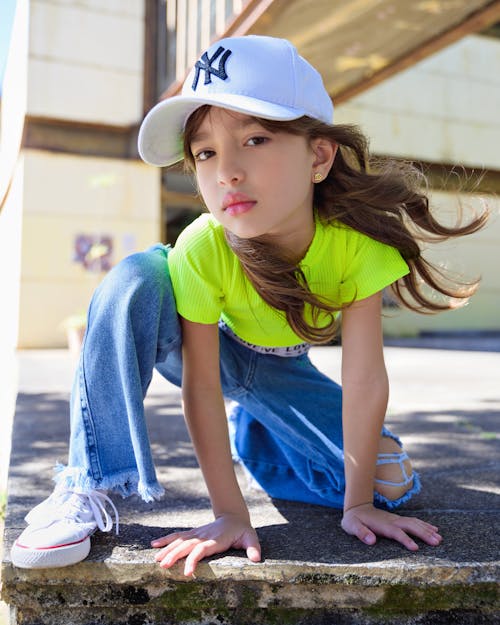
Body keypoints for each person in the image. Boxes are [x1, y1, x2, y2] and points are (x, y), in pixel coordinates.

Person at [11, 35, 487, 576]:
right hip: (206, 354)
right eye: (205, 152)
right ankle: (85, 482)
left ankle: (256, 433)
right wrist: (229, 513)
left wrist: (359, 505)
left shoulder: (357, 247)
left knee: (394, 485)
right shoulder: (201, 246)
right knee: (137, 277)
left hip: (281, 368)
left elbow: (364, 381)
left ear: (319, 156)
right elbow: (202, 383)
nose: (225, 172)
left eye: (256, 139)